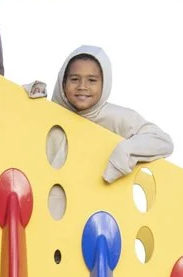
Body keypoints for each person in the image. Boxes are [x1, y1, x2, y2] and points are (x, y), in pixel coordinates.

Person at [26, 46, 172, 180]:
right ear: (63, 83)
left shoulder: (117, 118)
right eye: (74, 79)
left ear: (104, 83)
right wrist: (29, 97)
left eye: (92, 80)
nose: (82, 86)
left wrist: (126, 152)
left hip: (93, 197)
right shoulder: (47, 112)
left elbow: (162, 141)